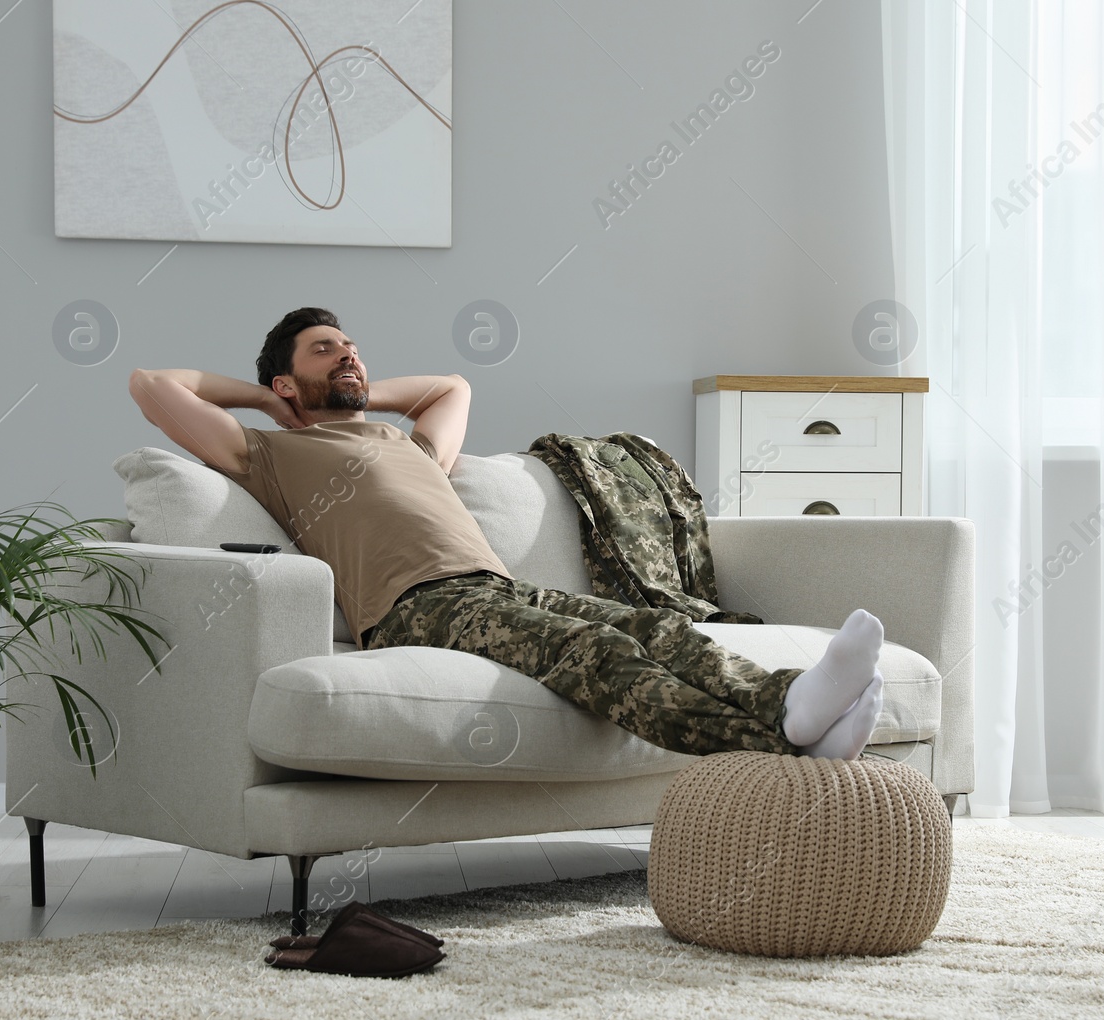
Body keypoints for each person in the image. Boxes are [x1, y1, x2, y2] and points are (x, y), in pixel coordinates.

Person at [128, 307, 885, 760]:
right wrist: (270, 400)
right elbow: (152, 386)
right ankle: (781, 738)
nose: (349, 353)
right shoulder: (270, 453)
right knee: (599, 653)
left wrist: (356, 394)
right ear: (287, 382)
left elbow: (450, 387)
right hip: (415, 608)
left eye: (351, 344)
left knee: (660, 627)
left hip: (495, 591)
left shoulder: (411, 447)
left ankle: (793, 704)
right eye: (325, 348)